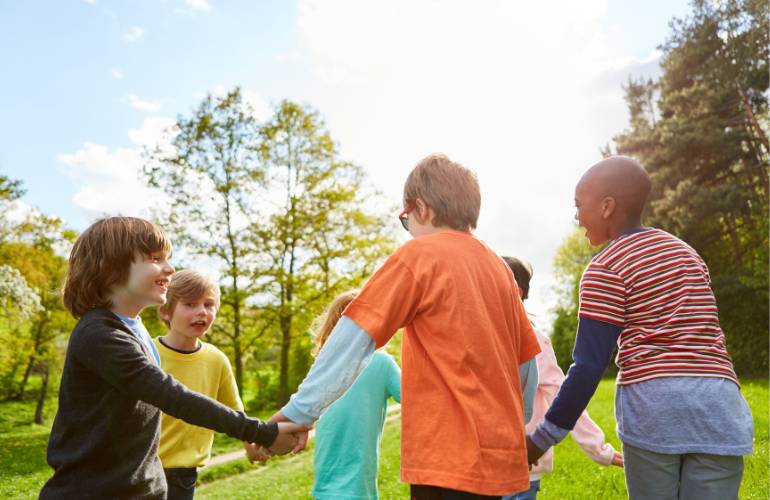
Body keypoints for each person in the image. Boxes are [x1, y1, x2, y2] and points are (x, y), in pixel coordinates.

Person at [269, 154, 541, 499]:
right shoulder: (499, 269)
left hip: (445, 458)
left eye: (405, 219)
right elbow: (526, 362)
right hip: (497, 456)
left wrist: (299, 411)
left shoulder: (419, 255)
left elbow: (353, 337)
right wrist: (516, 422)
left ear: (421, 209)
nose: (408, 228)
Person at [526, 156, 754, 500]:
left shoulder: (606, 267)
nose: (577, 217)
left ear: (606, 207)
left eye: (579, 206)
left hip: (654, 412)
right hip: (719, 408)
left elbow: (588, 366)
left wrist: (542, 438)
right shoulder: (687, 254)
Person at [40, 216, 308, 499]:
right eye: (156, 259)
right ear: (111, 267)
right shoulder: (98, 333)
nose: (170, 268)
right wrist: (262, 433)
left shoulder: (134, 328)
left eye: (168, 258)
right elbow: (171, 395)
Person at [500, 256, 622, 500]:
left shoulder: (535, 342)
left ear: (516, 292)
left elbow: (564, 397)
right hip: (481, 467)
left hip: (523, 466)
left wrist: (600, 451)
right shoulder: (479, 337)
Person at [152, 269, 251, 499]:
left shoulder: (216, 360)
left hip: (183, 475)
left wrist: (253, 443)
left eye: (209, 304)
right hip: (142, 468)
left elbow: (235, 413)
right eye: (190, 304)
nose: (202, 312)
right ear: (165, 311)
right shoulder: (147, 353)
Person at [309, 291, 401, 500]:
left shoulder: (323, 364)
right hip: (358, 490)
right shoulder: (381, 363)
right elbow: (415, 397)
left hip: (324, 487)